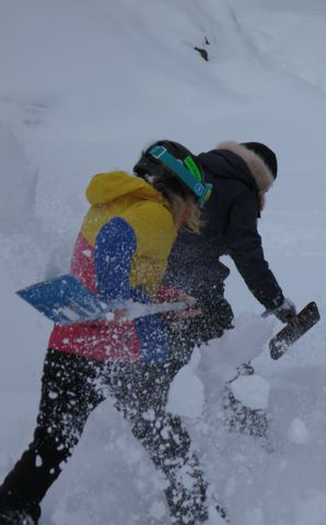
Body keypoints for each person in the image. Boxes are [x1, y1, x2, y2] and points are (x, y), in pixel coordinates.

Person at [0, 141, 221, 525]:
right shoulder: (155, 213)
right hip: (120, 354)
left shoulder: (113, 202)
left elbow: (124, 272)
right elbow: (114, 243)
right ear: (178, 192)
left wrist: (169, 300)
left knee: (53, 442)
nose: (190, 216)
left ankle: (11, 510)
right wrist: (117, 298)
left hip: (71, 344)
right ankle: (197, 513)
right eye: (191, 203)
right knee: (161, 433)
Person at [162, 141, 297, 439]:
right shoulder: (240, 189)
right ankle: (248, 426)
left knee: (169, 361)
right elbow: (246, 250)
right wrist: (274, 299)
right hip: (196, 288)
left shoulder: (197, 167)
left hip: (156, 279)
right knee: (228, 353)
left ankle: (163, 424)